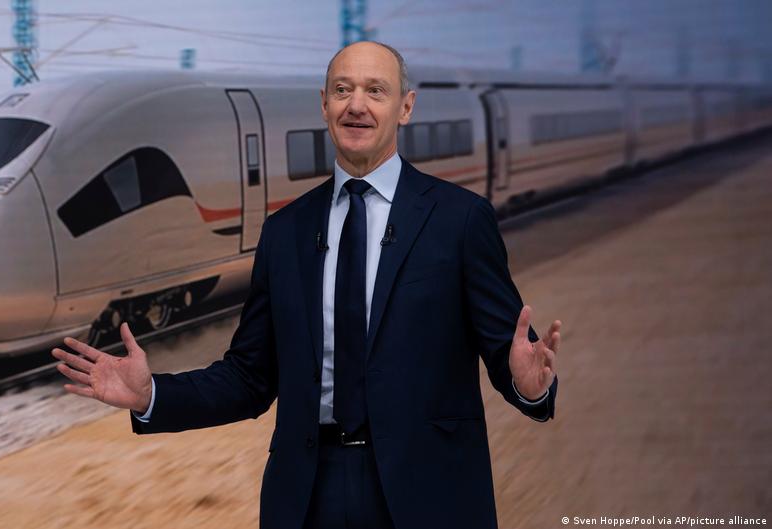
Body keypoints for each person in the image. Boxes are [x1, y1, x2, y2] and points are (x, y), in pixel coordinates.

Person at [51, 40, 561, 529]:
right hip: (307, 496)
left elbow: (509, 352)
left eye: (375, 91)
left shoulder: (461, 219)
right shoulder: (285, 230)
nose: (356, 105)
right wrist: (151, 395)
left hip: (429, 493)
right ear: (323, 104)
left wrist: (529, 386)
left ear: (406, 108)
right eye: (342, 90)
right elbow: (250, 378)